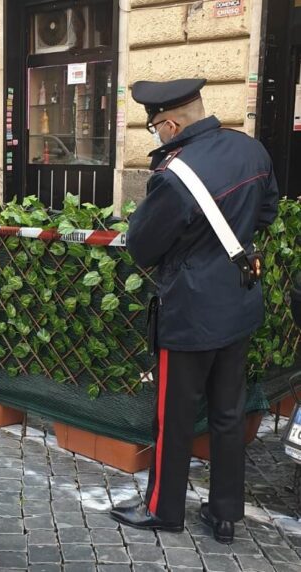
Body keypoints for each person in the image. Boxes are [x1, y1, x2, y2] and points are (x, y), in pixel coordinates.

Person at [110, 79, 279, 544]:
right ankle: (225, 514)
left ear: (169, 122)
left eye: (155, 129)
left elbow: (142, 247)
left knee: (174, 418)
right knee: (228, 413)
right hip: (239, 303)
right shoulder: (250, 150)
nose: (157, 137)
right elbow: (266, 214)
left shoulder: (174, 174)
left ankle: (163, 510)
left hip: (189, 313)